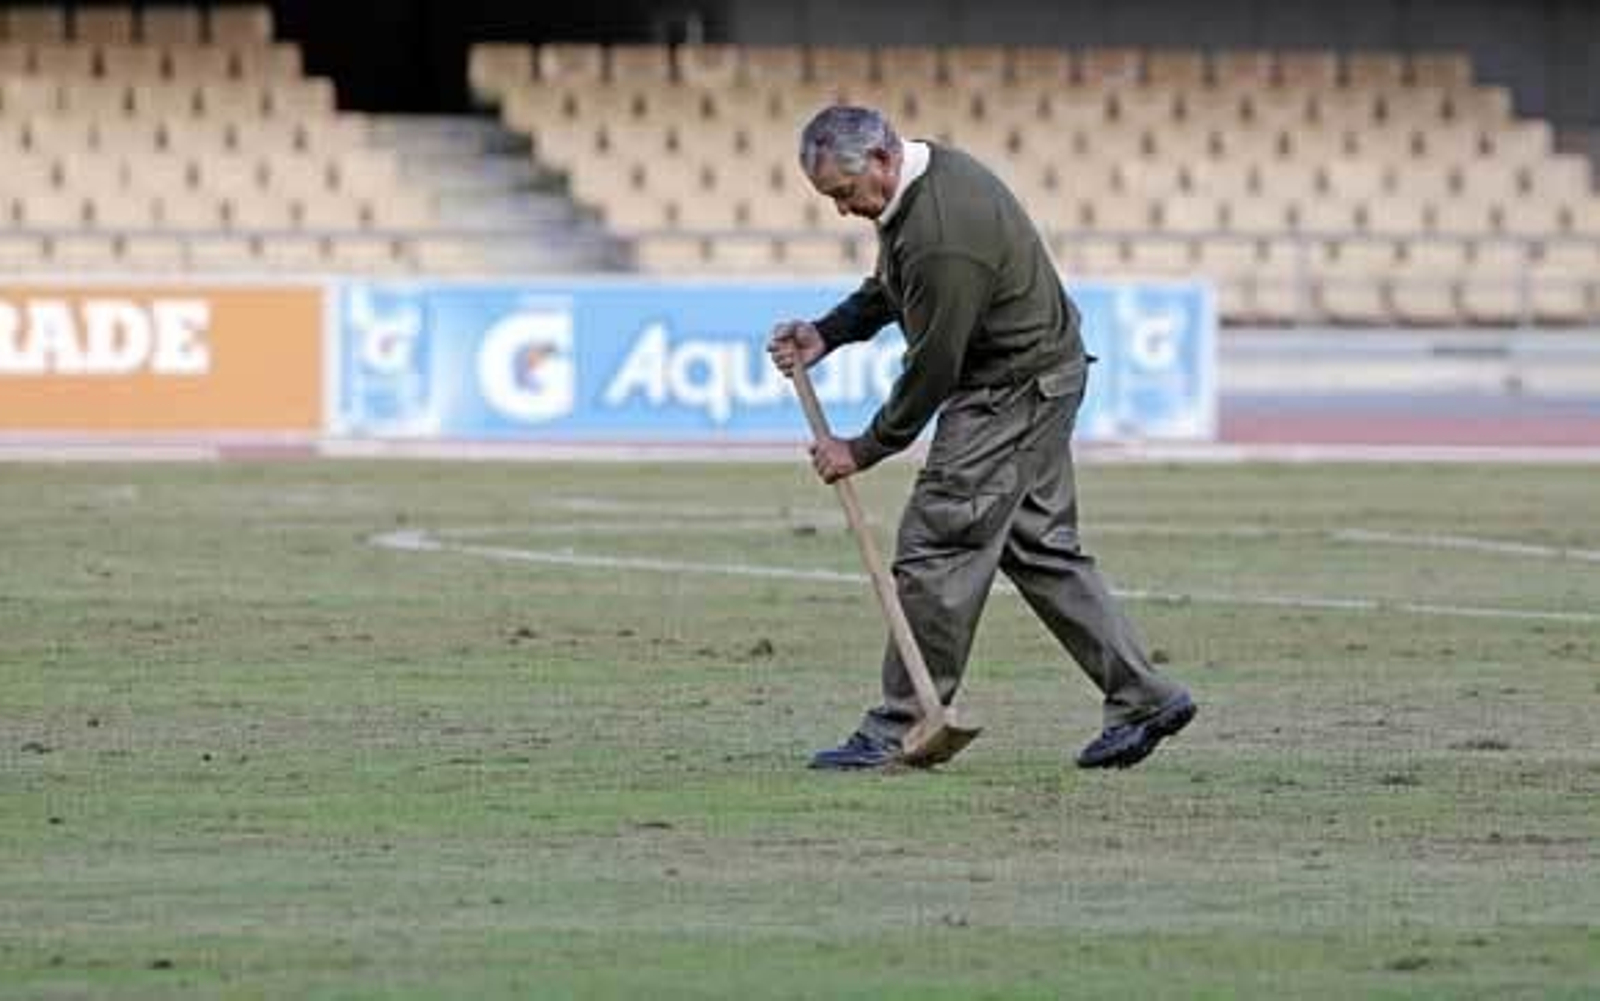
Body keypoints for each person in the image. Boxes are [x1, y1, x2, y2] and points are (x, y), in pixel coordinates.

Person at [766, 105, 1196, 771]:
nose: (844, 210)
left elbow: (934, 365)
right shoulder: (919, 187)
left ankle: (903, 724)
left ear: (880, 160)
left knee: (938, 542)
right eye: (832, 198)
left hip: (1010, 389)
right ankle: (1143, 695)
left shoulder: (942, 230)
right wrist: (831, 329)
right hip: (1044, 374)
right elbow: (894, 284)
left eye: (846, 194)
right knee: (1040, 547)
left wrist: (865, 446)